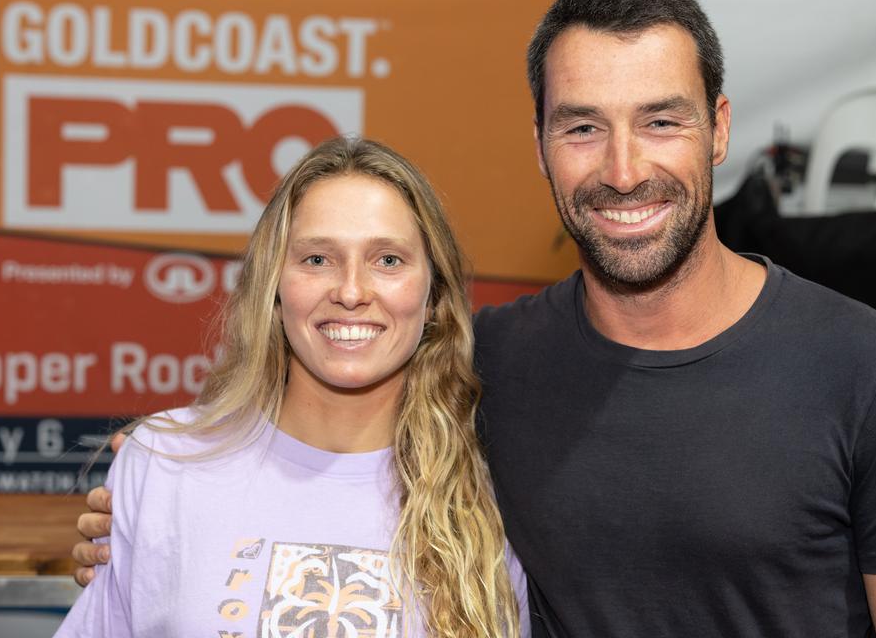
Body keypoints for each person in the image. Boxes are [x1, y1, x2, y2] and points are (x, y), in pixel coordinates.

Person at [75, 0, 876, 636]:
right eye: (583, 127)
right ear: (542, 146)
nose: (624, 169)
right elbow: (315, 441)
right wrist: (158, 488)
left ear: (719, 129)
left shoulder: (868, 371)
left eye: (661, 120)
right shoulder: (489, 368)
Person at [56, 137, 527, 638]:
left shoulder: (499, 493)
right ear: (273, 289)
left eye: (387, 260)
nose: (350, 292)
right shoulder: (165, 460)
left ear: (434, 295)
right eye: (317, 259)